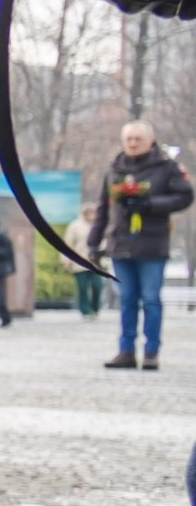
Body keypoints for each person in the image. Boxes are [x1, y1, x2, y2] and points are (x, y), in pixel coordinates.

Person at [92, 121, 193, 370]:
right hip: (121, 244)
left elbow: (184, 196)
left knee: (150, 299)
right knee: (126, 299)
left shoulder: (166, 168)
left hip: (152, 245)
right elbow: (103, 210)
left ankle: (151, 351)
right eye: (129, 139)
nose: (133, 144)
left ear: (150, 141)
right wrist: (93, 243)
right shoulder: (114, 170)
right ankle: (126, 350)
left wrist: (151, 204)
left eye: (138, 139)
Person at [62, 202, 103, 320]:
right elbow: (68, 244)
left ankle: (95, 308)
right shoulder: (75, 226)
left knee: (97, 286)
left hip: (96, 262)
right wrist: (66, 259)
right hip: (79, 262)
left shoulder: (99, 225)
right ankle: (85, 311)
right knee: (82, 288)